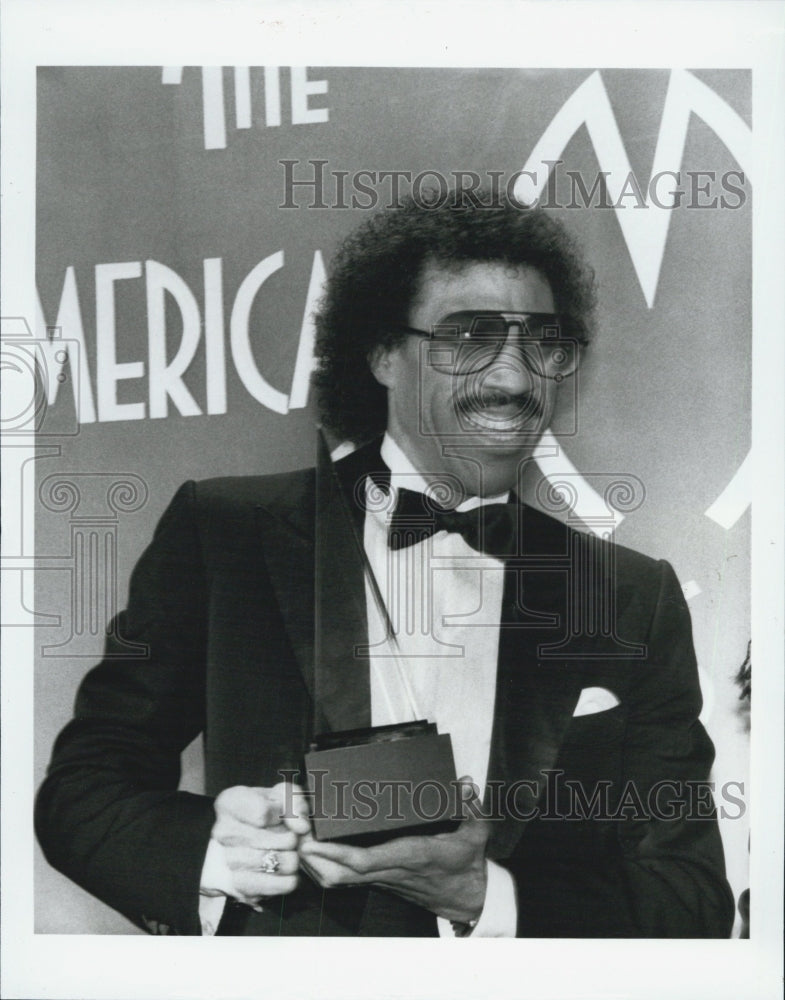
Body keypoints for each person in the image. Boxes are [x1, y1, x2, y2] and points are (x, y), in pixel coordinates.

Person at [35, 192, 735, 938]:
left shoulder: (629, 597)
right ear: (380, 354)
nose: (515, 378)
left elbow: (687, 902)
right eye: (469, 337)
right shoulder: (226, 534)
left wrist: (483, 896)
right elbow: (85, 790)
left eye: (543, 341)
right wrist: (222, 855)